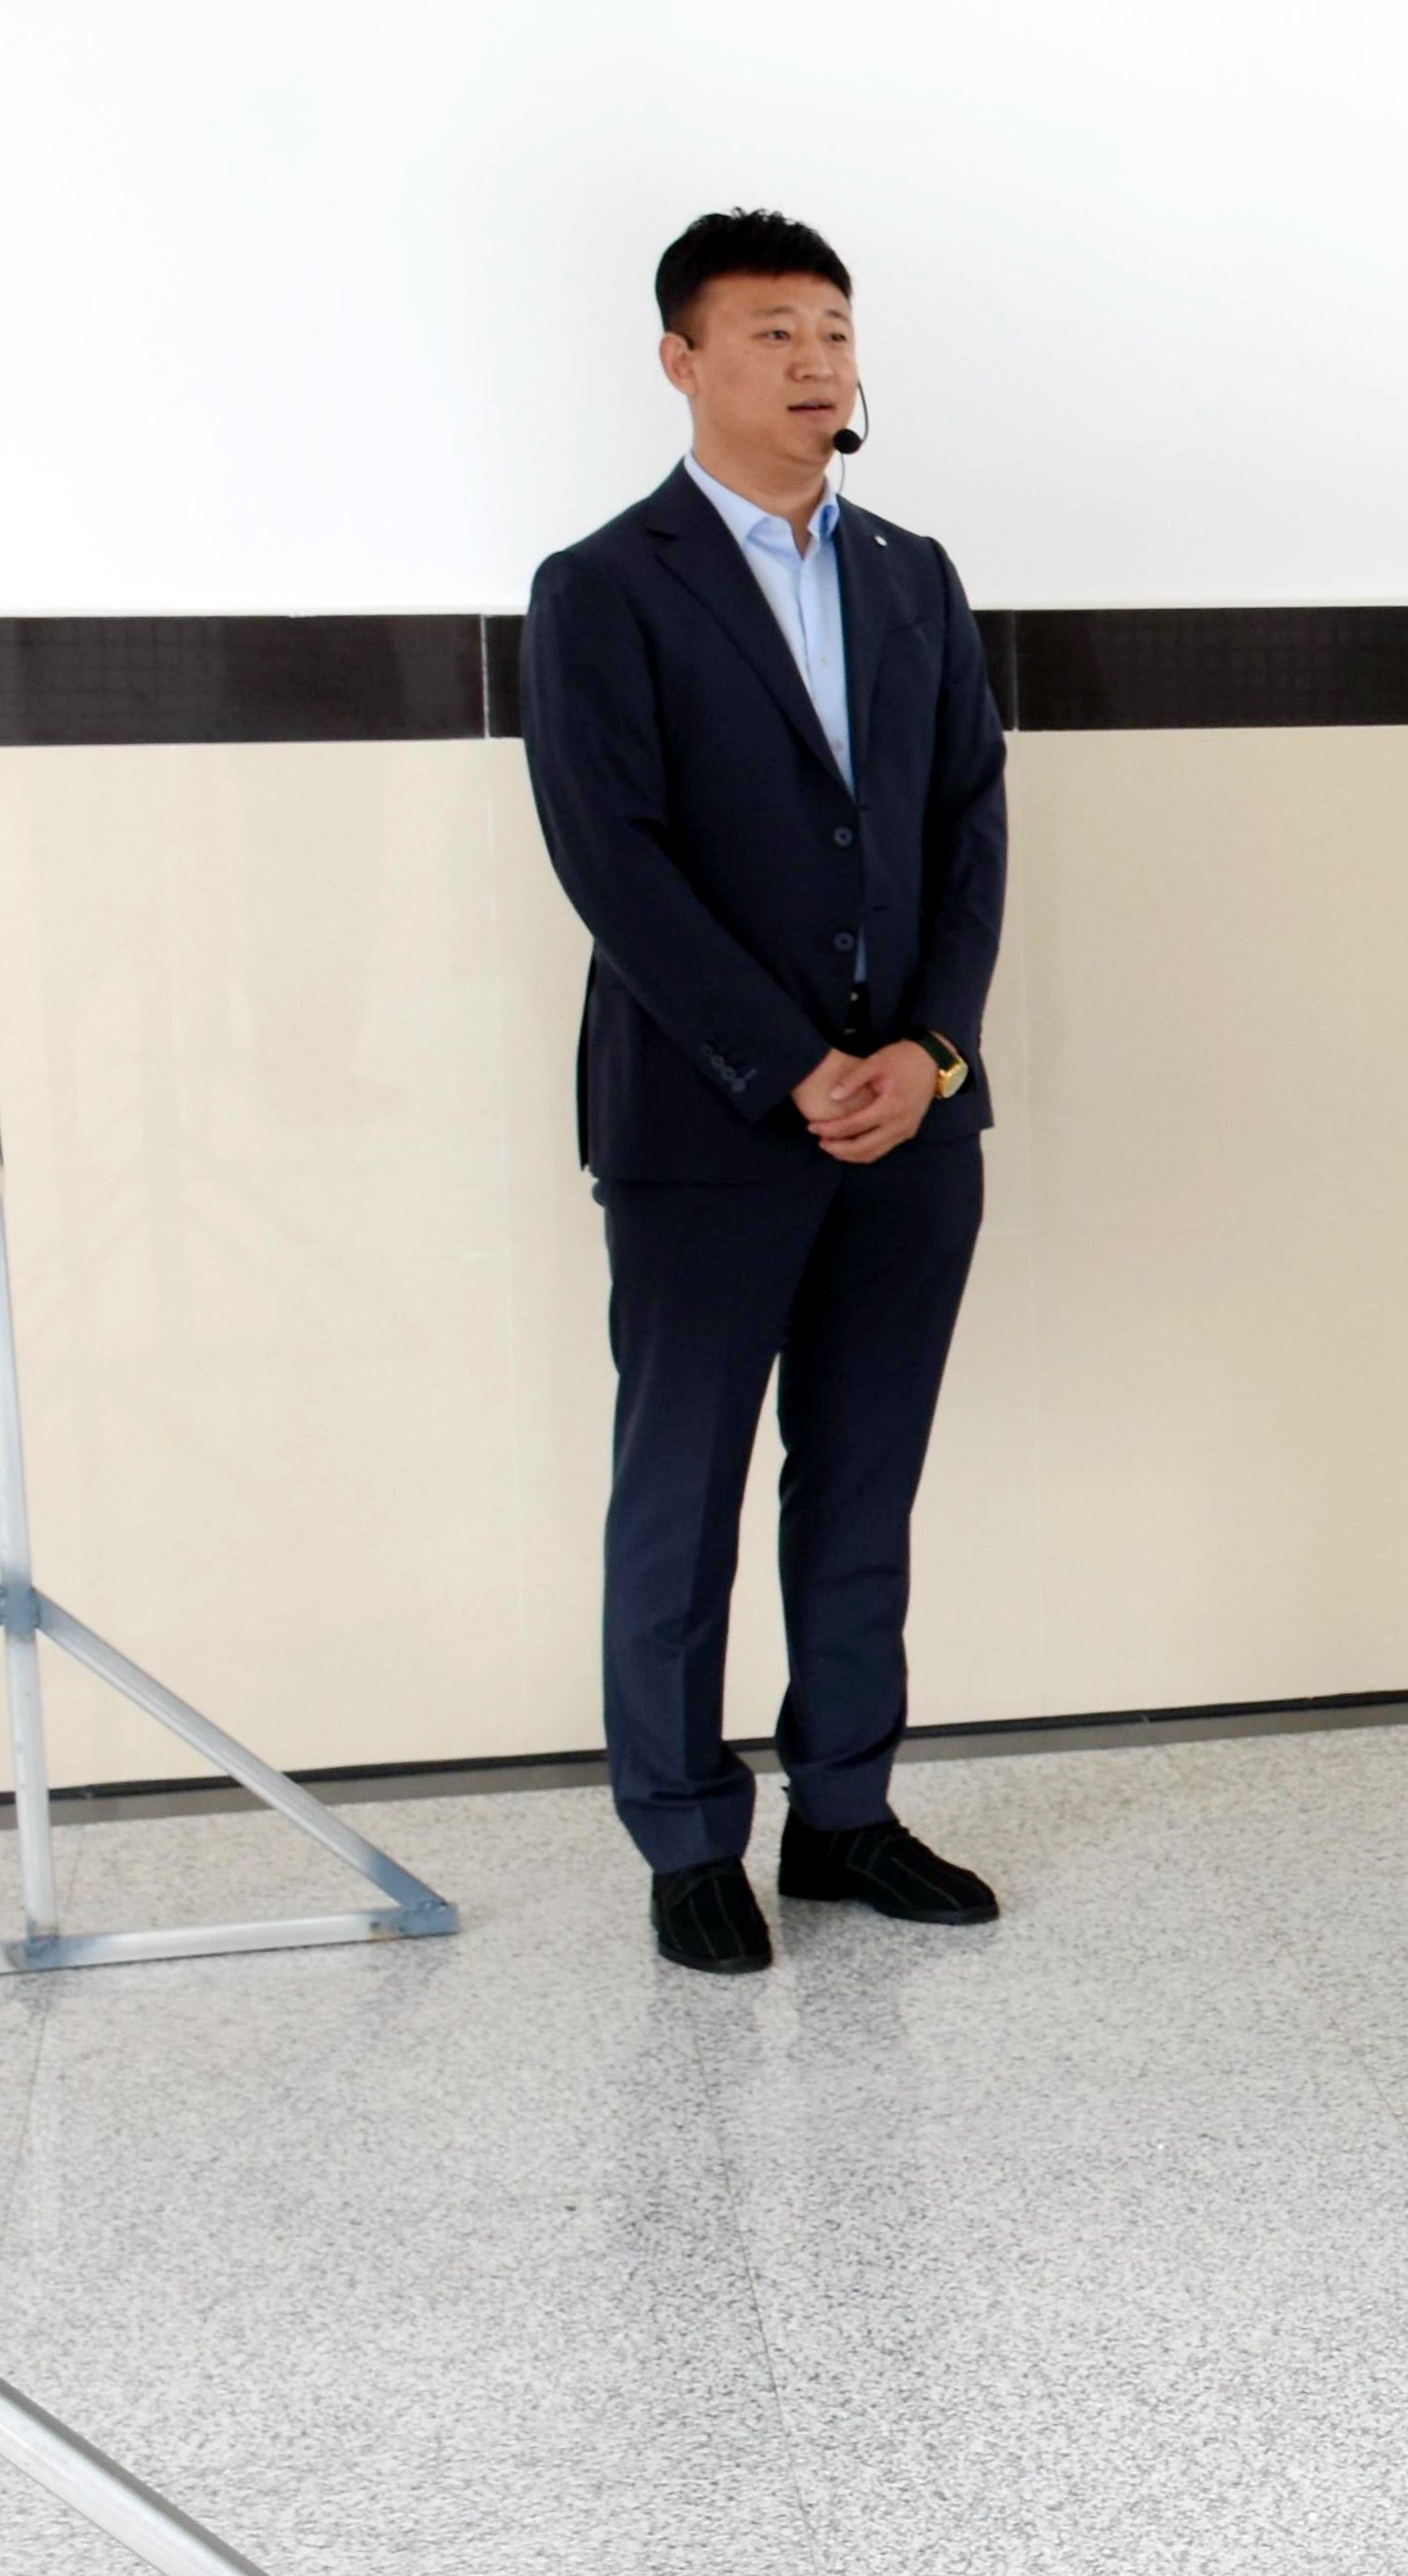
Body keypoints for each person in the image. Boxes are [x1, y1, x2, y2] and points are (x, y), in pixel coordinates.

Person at [524, 209, 1011, 1974]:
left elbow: (969, 828)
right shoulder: (603, 586)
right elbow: (615, 862)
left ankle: (846, 1813)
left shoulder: (911, 575)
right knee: (684, 1489)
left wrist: (928, 1053)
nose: (816, 364)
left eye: (834, 332)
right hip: (706, 1125)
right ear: (682, 362)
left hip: (911, 1120)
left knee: (863, 1479)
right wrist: (795, 1064)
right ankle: (682, 1835)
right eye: (772, 335)